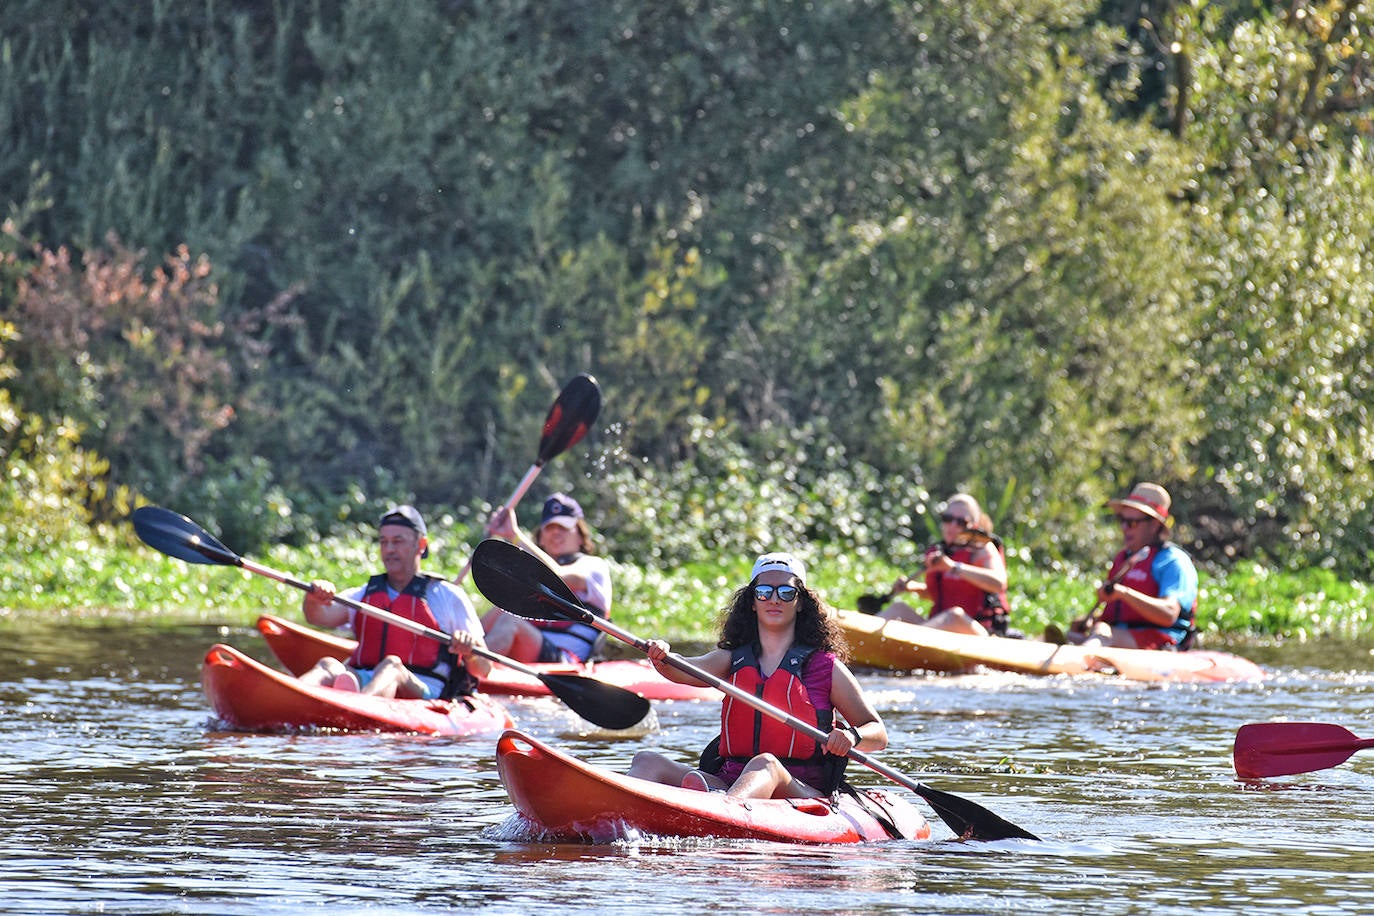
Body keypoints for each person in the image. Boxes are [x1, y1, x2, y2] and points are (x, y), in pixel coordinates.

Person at [625, 553, 886, 801]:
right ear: (752, 601)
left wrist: (852, 736)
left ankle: (719, 814)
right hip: (730, 781)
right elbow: (683, 669)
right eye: (764, 592)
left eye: (786, 592)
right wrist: (662, 656)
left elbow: (878, 732)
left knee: (766, 764)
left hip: (799, 789)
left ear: (800, 603)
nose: (774, 599)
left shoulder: (825, 667)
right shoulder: (733, 658)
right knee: (647, 760)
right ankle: (613, 812)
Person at [298, 505, 492, 698]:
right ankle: (295, 696)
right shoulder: (365, 593)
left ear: (421, 544)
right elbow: (318, 617)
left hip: (423, 688)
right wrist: (314, 598)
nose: (389, 549)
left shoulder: (449, 596)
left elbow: (483, 669)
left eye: (398, 541)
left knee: (392, 666)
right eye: (384, 542)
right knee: (328, 665)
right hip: (367, 677)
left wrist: (469, 652)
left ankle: (357, 707)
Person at [480, 492, 612, 663]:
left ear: (580, 535)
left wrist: (514, 536)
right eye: (550, 528)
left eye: (564, 527)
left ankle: (470, 675)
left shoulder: (593, 566)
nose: (556, 532)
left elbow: (557, 577)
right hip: (530, 655)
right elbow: (485, 625)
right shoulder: (531, 577)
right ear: (541, 538)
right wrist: (468, 634)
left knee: (510, 622)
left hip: (565, 661)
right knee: (503, 614)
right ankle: (463, 668)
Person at [1067, 482, 1198, 650]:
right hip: (1123, 636)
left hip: (1162, 642)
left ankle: (1080, 657)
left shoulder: (1174, 562)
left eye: (1132, 523)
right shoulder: (1124, 558)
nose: (1124, 528)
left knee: (1102, 631)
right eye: (1122, 520)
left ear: (1154, 525)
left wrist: (1124, 593)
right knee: (1075, 633)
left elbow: (1169, 614)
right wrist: (1092, 620)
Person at [877, 493, 1011, 636]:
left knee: (954, 616)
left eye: (961, 522)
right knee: (898, 609)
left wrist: (953, 567)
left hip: (979, 634)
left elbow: (999, 583)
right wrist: (913, 587)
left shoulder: (982, 549)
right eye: (947, 519)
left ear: (974, 525)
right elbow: (939, 594)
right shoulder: (939, 552)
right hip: (939, 630)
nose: (952, 526)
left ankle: (908, 644)